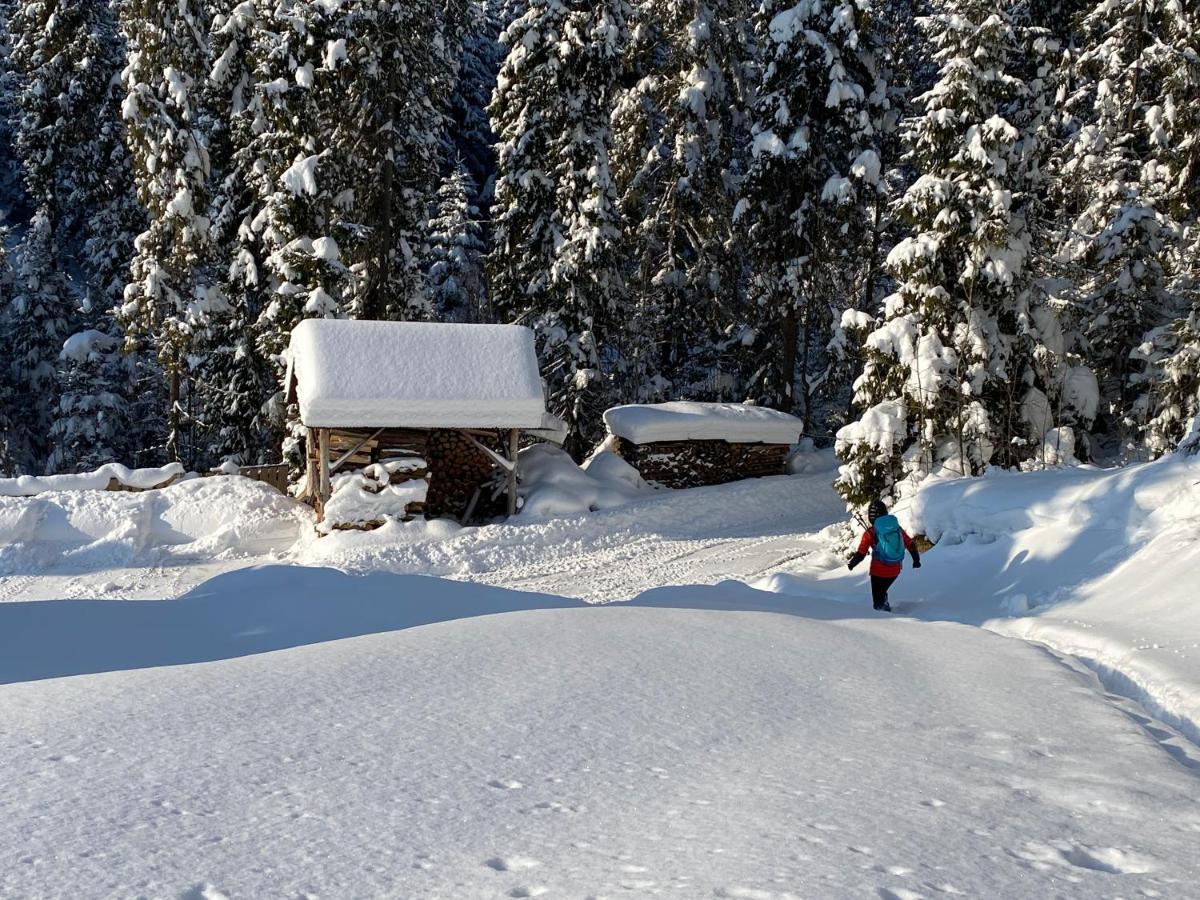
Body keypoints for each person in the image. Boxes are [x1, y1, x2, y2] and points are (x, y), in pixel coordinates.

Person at [847, 499, 921, 612]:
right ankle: (884, 604)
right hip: (895, 570)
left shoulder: (869, 533)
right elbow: (910, 544)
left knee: (878, 603)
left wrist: (852, 563)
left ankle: (885, 621)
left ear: (870, 517)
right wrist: (916, 560)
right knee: (882, 591)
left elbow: (861, 553)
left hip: (878, 572)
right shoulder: (896, 529)